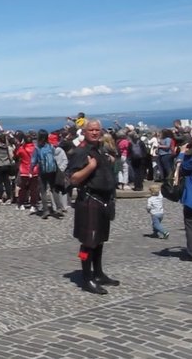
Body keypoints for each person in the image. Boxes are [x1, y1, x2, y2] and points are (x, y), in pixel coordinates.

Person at [69, 120, 120, 295]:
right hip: (89, 200)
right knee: (87, 242)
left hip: (103, 200)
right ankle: (86, 277)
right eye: (91, 130)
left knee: (99, 240)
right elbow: (73, 179)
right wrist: (90, 167)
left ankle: (98, 273)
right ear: (84, 132)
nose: (94, 132)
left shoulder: (99, 149)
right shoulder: (80, 151)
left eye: (97, 130)